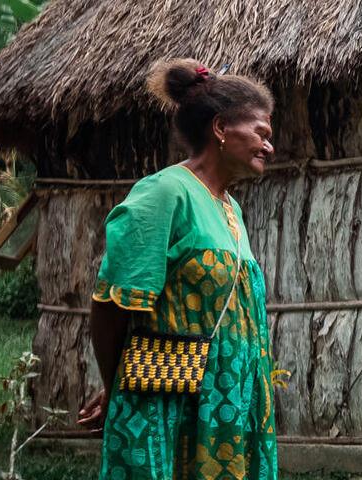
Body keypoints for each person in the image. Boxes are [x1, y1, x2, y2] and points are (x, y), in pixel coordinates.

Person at [76, 58, 280, 479]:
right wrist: (118, 386)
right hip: (171, 401)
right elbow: (114, 303)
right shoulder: (164, 193)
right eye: (261, 132)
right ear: (221, 129)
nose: (269, 146)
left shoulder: (230, 208)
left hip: (230, 402)